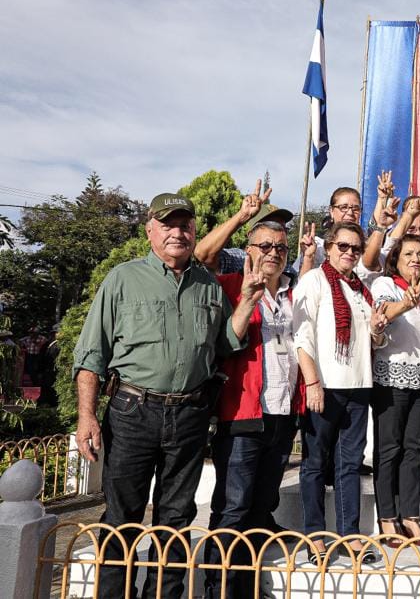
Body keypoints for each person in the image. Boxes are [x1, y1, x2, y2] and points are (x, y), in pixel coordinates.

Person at [73, 193, 253, 598]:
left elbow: (224, 343)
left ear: (194, 231)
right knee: (123, 517)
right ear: (150, 230)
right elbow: (91, 354)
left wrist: (251, 299)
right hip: (132, 410)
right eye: (168, 224)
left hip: (189, 414)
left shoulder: (208, 284)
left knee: (176, 518)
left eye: (185, 225)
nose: (178, 232)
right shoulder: (123, 278)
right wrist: (87, 416)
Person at [204, 217, 303, 599]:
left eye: (280, 248)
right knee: (232, 510)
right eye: (265, 246)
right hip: (243, 413)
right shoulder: (229, 286)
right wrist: (247, 297)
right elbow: (225, 341)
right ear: (248, 251)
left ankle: (246, 588)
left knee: (262, 510)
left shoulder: (293, 296)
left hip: (281, 415)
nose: (273, 254)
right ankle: (219, 590)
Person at [293, 222, 389, 564]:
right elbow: (301, 336)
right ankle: (315, 536)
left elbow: (371, 341)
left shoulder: (360, 289)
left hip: (358, 386)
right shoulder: (313, 280)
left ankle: (349, 536)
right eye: (343, 247)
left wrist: (377, 330)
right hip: (326, 386)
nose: (349, 253)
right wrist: (312, 382)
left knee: (349, 465)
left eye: (355, 248)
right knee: (315, 464)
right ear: (329, 247)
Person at [371, 234, 420, 542]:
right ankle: (387, 517)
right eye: (409, 254)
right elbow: (381, 315)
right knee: (390, 449)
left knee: (414, 450)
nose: (416, 259)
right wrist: (404, 303)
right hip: (390, 379)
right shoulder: (385, 286)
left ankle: (411, 514)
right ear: (396, 260)